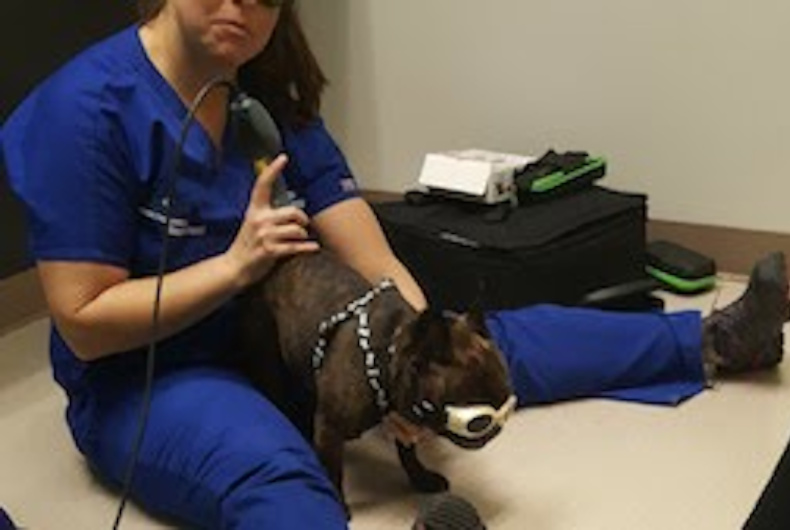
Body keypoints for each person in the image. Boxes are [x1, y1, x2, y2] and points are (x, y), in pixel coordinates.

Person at [1, 1, 787, 528]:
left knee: (489, 350)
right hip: (156, 374)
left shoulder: (267, 103)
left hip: (298, 342)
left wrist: (409, 354)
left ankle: (717, 340)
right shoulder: (86, 111)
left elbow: (368, 250)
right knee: (284, 477)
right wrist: (236, 268)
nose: (243, 5)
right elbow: (85, 324)